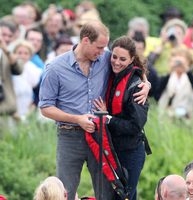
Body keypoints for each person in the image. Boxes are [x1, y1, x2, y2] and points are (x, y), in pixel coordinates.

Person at [39, 21, 150, 200]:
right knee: (63, 192)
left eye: (105, 47)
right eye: (99, 47)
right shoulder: (55, 68)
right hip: (69, 136)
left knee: (106, 193)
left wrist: (146, 83)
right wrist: (77, 119)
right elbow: (45, 108)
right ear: (85, 41)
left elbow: (132, 64)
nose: (102, 52)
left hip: (100, 136)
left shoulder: (105, 58)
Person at [93, 35, 150, 200]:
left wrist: (108, 118)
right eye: (114, 57)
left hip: (131, 152)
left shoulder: (136, 86)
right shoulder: (113, 74)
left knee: (124, 196)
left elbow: (135, 126)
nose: (117, 62)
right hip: (113, 149)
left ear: (132, 59)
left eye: (123, 59)